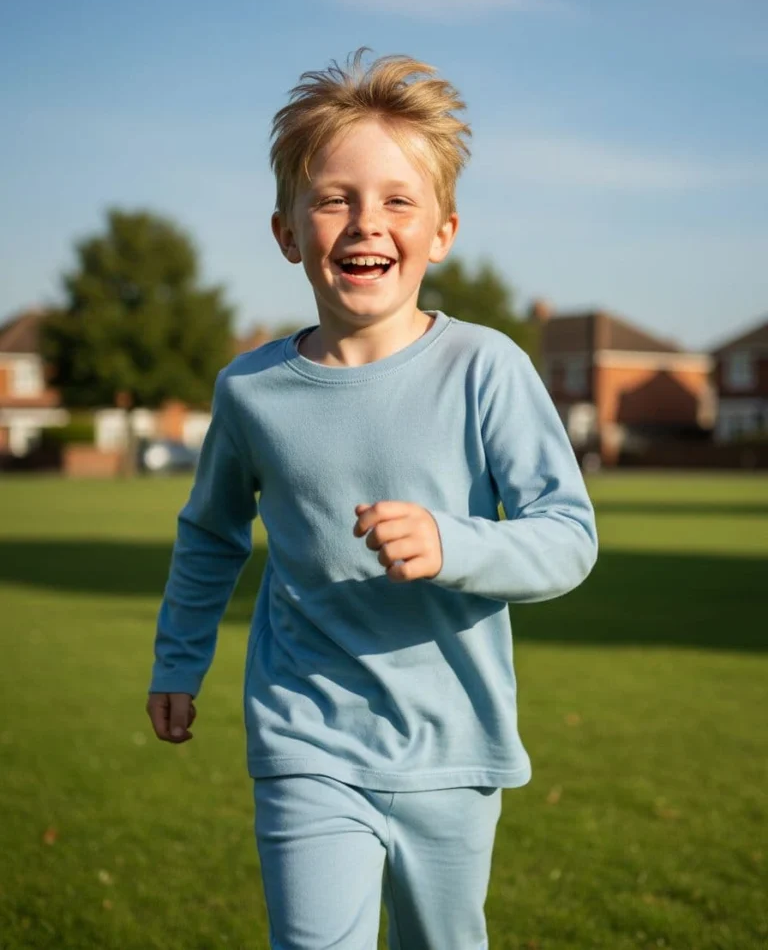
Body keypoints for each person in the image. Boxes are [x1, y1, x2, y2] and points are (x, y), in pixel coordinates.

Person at [146, 48, 598, 950]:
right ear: (287, 231)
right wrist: (177, 659)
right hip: (304, 734)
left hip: (453, 746)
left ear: (442, 232)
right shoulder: (251, 390)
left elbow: (568, 537)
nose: (367, 222)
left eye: (398, 200)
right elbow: (210, 536)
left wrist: (455, 543)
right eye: (334, 197)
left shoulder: (487, 369)